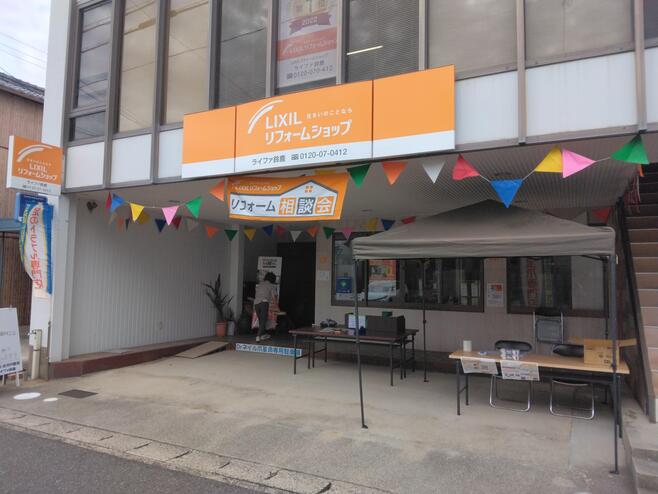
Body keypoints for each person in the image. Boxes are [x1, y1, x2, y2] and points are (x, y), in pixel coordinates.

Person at [254, 272, 277, 342]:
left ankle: (263, 335)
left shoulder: (260, 284)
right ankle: (258, 336)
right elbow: (274, 297)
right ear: (273, 279)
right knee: (263, 321)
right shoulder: (271, 285)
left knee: (261, 321)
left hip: (256, 303)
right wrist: (276, 306)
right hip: (264, 303)